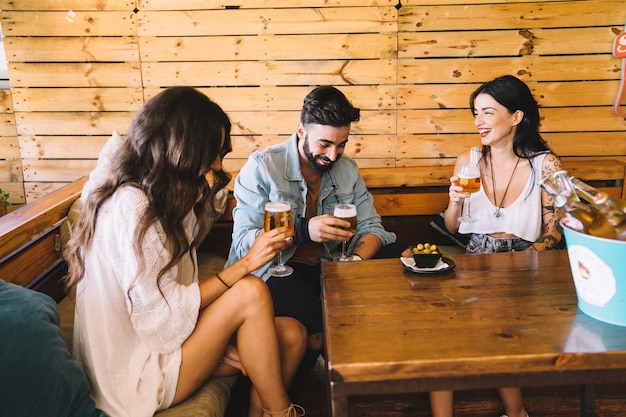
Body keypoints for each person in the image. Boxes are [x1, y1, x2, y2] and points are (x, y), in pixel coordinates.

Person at [65, 86, 304, 417]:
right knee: (250, 291)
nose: (218, 163)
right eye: (213, 151)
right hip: (136, 372)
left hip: (162, 341)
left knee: (293, 335)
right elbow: (160, 321)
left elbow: (164, 303)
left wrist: (213, 340)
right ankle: (284, 413)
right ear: (183, 148)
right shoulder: (131, 204)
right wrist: (248, 262)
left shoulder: (162, 196)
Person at [226, 85, 406, 392]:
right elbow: (245, 241)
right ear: (300, 131)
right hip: (272, 272)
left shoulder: (346, 169)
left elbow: (374, 229)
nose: (332, 154)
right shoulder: (263, 167)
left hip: (328, 267)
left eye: (342, 145)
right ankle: (323, 360)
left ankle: (322, 346)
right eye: (324, 144)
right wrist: (302, 230)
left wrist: (355, 261)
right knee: (320, 314)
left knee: (405, 259)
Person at [438, 75, 563, 417]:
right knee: (438, 331)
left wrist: (527, 257)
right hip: (475, 258)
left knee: (489, 326)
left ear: (516, 117)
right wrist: (454, 201)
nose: (479, 121)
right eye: (476, 113)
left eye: (488, 112)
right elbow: (453, 226)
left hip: (527, 262)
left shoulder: (545, 165)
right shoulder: (468, 160)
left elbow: (555, 233)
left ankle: (516, 411)